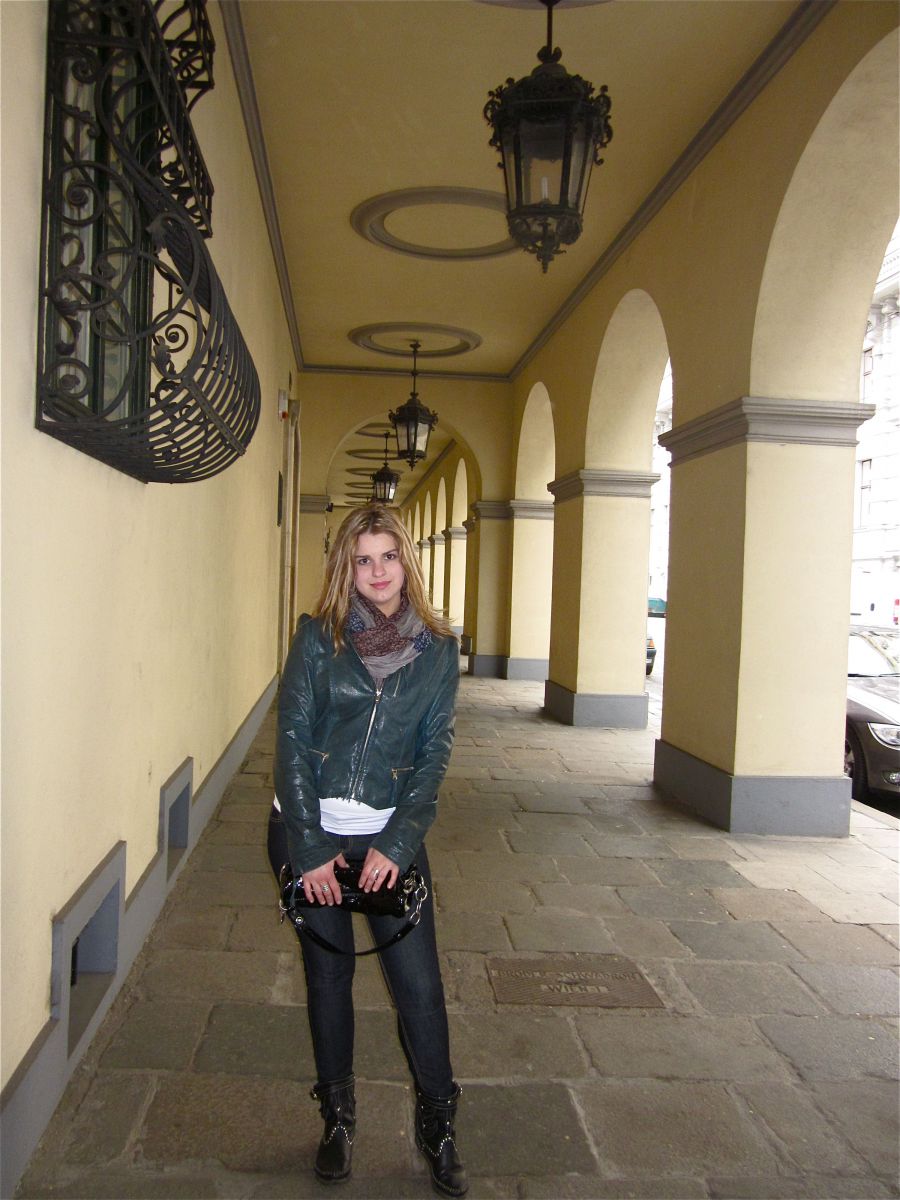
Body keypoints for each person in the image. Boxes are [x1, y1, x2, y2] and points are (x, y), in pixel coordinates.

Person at [268, 503, 467, 1197]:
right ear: (345, 568)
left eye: (388, 557)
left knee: (420, 989)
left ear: (406, 562)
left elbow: (433, 755)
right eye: (363, 560)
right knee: (328, 981)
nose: (378, 573)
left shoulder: (437, 650)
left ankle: (438, 1123)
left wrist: (398, 843)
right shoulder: (318, 637)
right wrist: (309, 845)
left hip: (387, 838)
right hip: (310, 833)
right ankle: (338, 1118)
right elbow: (292, 740)